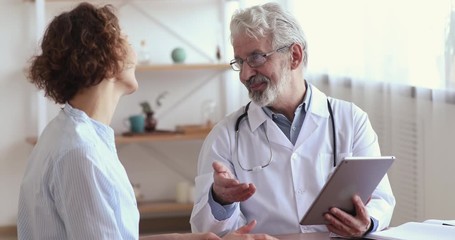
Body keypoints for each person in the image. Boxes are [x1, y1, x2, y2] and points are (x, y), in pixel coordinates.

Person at [17, 2, 277, 240]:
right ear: (106, 60)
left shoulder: (71, 134)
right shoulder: (80, 153)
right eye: (124, 39)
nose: (134, 52)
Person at [190, 2, 396, 238]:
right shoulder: (225, 135)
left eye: (256, 58)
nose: (245, 74)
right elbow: (207, 233)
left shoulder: (350, 120)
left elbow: (381, 199)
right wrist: (220, 200)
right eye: (240, 62)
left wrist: (367, 222)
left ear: (294, 56)